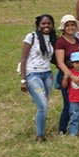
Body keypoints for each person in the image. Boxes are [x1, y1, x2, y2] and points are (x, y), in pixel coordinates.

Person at [20, 14, 56, 142]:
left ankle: (41, 129)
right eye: (43, 24)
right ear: (38, 25)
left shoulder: (52, 38)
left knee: (44, 104)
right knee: (43, 104)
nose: (46, 26)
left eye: (49, 24)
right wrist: (23, 79)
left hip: (47, 74)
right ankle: (40, 135)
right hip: (33, 74)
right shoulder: (31, 37)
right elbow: (23, 58)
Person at [55, 14, 79, 134]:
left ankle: (75, 125)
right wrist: (71, 77)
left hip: (78, 75)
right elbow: (60, 63)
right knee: (69, 104)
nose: (71, 27)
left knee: (78, 103)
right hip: (67, 76)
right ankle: (62, 129)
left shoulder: (77, 40)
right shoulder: (60, 42)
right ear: (63, 27)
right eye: (68, 25)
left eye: (73, 25)